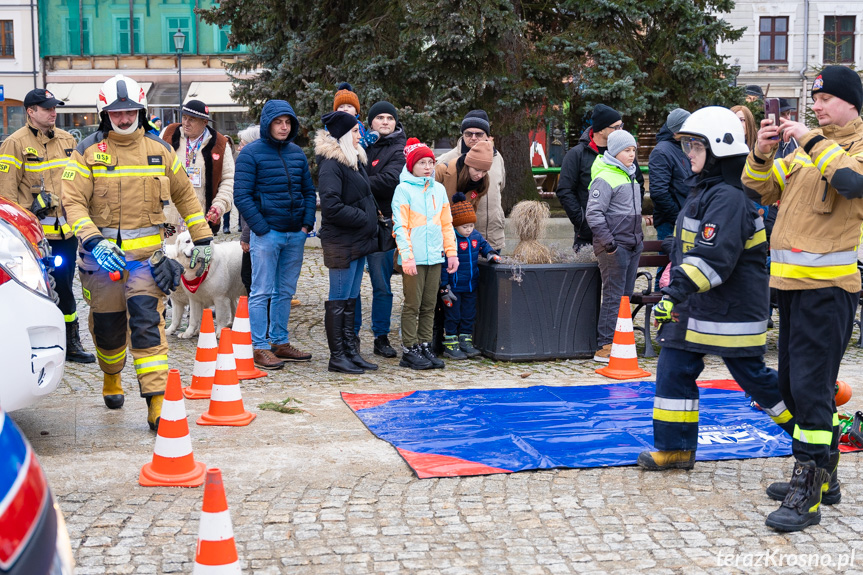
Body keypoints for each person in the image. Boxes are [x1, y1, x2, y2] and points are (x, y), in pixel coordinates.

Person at [638, 106, 795, 476]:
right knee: (673, 370)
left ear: (719, 149)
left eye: (695, 146)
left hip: (729, 311)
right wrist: (677, 294)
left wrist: (671, 294)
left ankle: (811, 431)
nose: (687, 153)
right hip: (696, 306)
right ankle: (674, 449)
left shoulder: (727, 197)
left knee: (754, 379)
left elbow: (712, 261)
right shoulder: (706, 190)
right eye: (687, 145)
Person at [742, 65, 863, 532]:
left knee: (811, 392)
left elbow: (852, 182)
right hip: (791, 289)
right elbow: (761, 188)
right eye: (814, 100)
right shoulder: (808, 150)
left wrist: (810, 139)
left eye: (825, 99)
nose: (816, 106)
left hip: (828, 291)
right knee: (795, 388)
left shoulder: (845, 148)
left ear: (851, 103)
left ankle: (806, 492)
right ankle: (827, 475)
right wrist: (762, 152)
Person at [62, 74, 212, 430]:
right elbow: (72, 202)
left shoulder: (160, 150)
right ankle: (111, 376)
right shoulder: (86, 151)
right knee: (109, 330)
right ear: (104, 114)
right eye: (117, 113)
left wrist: (202, 237)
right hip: (102, 264)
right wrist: (94, 240)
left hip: (147, 262)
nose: (125, 118)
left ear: (141, 111)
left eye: (130, 111)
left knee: (148, 326)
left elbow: (186, 198)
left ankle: (156, 403)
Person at [0, 89, 96, 364]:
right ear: (31, 112)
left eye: (55, 107)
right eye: (46, 108)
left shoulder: (67, 140)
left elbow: (80, 181)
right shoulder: (14, 144)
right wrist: (31, 207)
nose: (53, 112)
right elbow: (5, 198)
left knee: (65, 286)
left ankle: (70, 340)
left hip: (65, 232)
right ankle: (31, 342)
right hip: (34, 236)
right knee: (37, 289)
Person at [234, 99, 315, 370]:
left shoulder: (296, 153)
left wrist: (306, 226)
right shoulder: (251, 153)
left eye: (287, 122)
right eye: (278, 122)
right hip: (267, 234)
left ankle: (280, 341)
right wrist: (262, 229)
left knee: (284, 291)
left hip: (295, 234)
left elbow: (307, 191)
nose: (283, 127)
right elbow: (242, 196)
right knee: (261, 291)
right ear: (267, 124)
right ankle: (259, 347)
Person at [315, 111, 379, 374]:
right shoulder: (331, 164)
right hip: (341, 243)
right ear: (343, 135)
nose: (359, 135)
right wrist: (364, 217)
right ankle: (337, 356)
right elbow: (330, 206)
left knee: (352, 299)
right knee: (339, 299)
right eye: (354, 131)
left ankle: (351, 352)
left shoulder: (354, 160)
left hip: (357, 241)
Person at [392, 138, 458, 370]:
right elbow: (400, 227)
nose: (428, 167)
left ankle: (424, 345)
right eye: (422, 163)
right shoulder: (403, 190)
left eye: (431, 162)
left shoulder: (438, 189)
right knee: (413, 305)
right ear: (412, 165)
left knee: (430, 305)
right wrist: (407, 257)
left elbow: (446, 224)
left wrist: (451, 253)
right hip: (414, 259)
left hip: (435, 257)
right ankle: (409, 349)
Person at [585, 130, 644, 362]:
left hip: (632, 244)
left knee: (625, 297)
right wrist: (610, 244)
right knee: (613, 296)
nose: (632, 155)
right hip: (614, 246)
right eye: (627, 150)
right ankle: (605, 344)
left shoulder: (630, 175)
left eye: (634, 150)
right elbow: (594, 213)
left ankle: (620, 339)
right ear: (615, 151)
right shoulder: (605, 176)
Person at [556, 104, 645, 253]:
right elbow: (565, 191)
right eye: (616, 127)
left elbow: (638, 185)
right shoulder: (576, 155)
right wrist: (583, 222)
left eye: (621, 126)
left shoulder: (624, 152)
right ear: (601, 129)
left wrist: (631, 217)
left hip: (622, 236)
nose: (621, 130)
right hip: (588, 237)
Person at [360, 100, 406, 358]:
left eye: (390, 117)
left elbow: (390, 181)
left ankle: (381, 336)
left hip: (384, 225)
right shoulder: (360, 144)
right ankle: (350, 335)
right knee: (352, 286)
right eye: (380, 118)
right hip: (357, 221)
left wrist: (356, 180)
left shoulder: (401, 148)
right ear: (371, 123)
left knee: (382, 285)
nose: (385, 122)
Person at [160, 100, 234, 239]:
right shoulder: (169, 134)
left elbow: (228, 179)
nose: (186, 123)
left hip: (200, 218)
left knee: (197, 258)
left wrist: (219, 205)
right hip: (169, 217)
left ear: (204, 122)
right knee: (170, 258)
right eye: (184, 118)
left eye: (192, 120)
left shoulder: (220, 144)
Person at [439, 192, 500, 360]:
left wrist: (491, 254)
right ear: (455, 225)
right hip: (454, 286)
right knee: (453, 315)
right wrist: (444, 286)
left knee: (469, 314)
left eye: (471, 225)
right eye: (464, 226)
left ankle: (465, 341)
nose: (468, 229)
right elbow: (444, 264)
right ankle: (451, 344)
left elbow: (484, 245)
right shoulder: (450, 239)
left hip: (471, 285)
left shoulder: (475, 236)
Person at [436, 110, 506, 250]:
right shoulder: (447, 160)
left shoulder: (497, 158)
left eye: (479, 134)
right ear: (463, 134)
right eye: (468, 133)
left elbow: (501, 186)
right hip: (461, 239)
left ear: (487, 135)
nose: (473, 138)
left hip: (493, 237)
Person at [648, 108, 694, 286]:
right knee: (667, 267)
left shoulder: (682, 147)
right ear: (676, 131)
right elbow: (659, 193)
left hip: (684, 218)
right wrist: (677, 217)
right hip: (671, 222)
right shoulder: (662, 151)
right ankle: (661, 306)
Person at [236, 125, 261, 296]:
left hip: (256, 232)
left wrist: (246, 235)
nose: (238, 148)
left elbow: (253, 204)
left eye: (242, 144)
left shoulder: (255, 166)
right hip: (254, 230)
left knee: (250, 277)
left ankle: (259, 319)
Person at [435, 140, 494, 207]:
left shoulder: (481, 184)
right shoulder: (441, 171)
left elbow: (472, 211)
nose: (480, 175)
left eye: (484, 171)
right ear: (467, 165)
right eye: (477, 170)